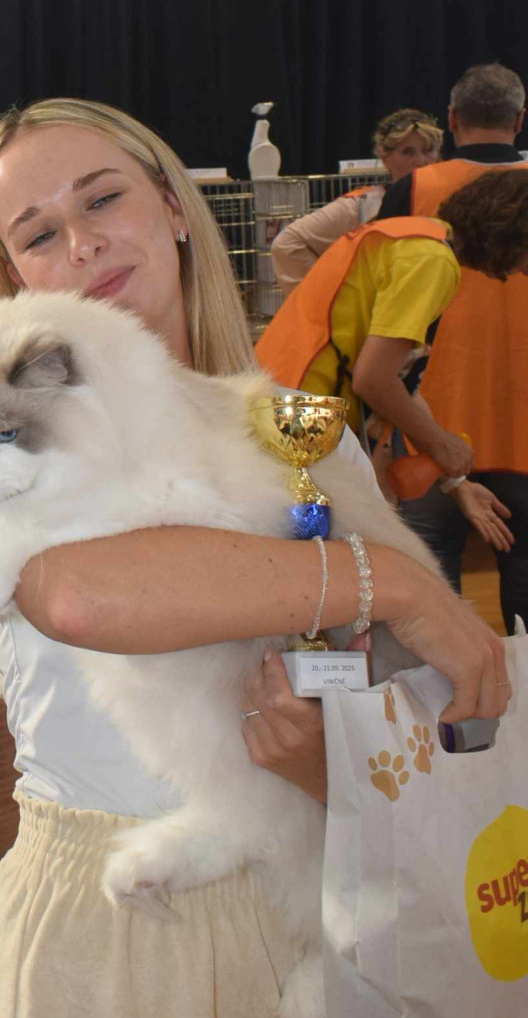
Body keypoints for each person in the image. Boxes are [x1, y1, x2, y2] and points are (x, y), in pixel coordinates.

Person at [0, 97, 510, 1018]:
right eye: (38, 232)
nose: (82, 243)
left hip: (314, 893)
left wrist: (330, 759)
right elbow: (81, 594)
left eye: (102, 199)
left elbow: (393, 681)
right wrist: (392, 584)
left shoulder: (299, 429)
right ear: (11, 276)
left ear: (171, 206)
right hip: (117, 923)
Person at [256, 167, 528, 559]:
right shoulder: (432, 261)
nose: (521, 270)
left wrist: (456, 481)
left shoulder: (409, 236)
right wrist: (442, 444)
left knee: (316, 558)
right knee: (320, 560)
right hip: (301, 424)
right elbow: (374, 379)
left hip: (280, 405)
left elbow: (397, 381)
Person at [377, 63, 528, 633]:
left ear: (452, 120)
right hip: (522, 426)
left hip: (428, 422)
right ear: (519, 120)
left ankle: (448, 692)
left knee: (434, 590)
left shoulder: (413, 189)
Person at [272, 108, 443, 297]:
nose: (421, 161)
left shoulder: (453, 199)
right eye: (408, 152)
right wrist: (325, 302)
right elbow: (287, 244)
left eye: (428, 150)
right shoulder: (364, 205)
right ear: (385, 158)